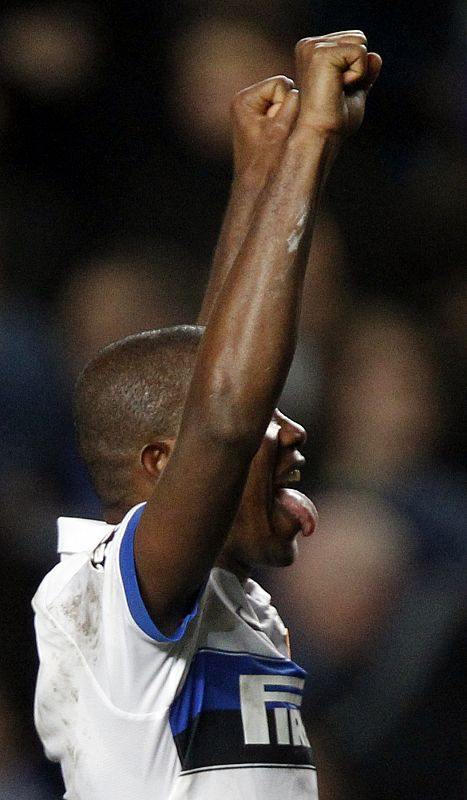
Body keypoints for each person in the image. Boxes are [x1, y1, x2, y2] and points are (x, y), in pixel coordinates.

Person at [32, 32, 381, 800]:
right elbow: (221, 413)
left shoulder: (218, 597)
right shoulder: (108, 602)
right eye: (268, 417)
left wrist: (259, 173)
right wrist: (309, 150)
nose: (287, 430)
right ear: (162, 464)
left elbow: (212, 377)